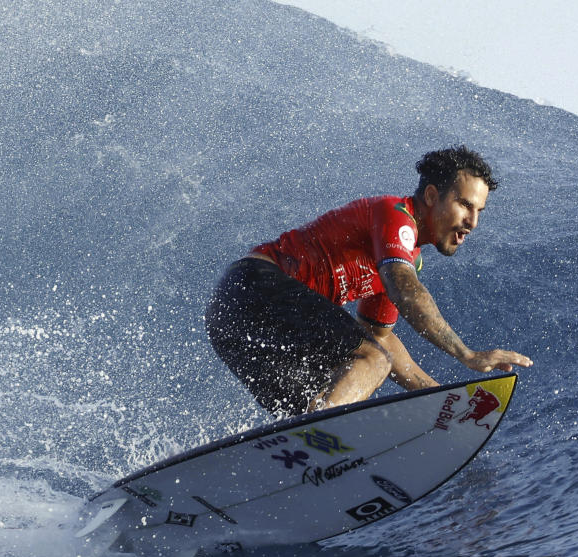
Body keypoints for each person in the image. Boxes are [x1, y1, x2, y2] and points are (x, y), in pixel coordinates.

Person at [205, 145, 532, 418]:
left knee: (332, 388)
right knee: (370, 361)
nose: (472, 222)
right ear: (432, 195)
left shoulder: (405, 260)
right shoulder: (394, 215)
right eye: (464, 204)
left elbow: (379, 335)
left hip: (235, 324)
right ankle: (319, 437)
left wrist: (441, 400)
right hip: (253, 289)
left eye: (479, 211)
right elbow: (403, 294)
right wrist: (467, 354)